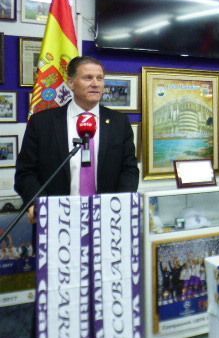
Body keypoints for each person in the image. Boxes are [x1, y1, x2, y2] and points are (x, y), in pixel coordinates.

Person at [15, 56, 139, 218]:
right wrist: (37, 203)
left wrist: (120, 204)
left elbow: (129, 169)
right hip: (56, 216)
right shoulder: (42, 123)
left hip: (108, 217)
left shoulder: (119, 122)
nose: (95, 83)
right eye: (88, 78)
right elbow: (25, 172)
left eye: (100, 78)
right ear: (71, 83)